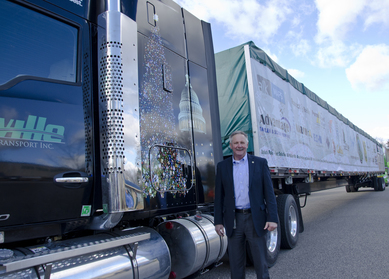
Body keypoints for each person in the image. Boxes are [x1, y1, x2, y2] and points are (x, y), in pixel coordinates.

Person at [214, 131, 278, 279]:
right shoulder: (222, 167)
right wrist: (218, 221)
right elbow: (219, 197)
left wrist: (273, 217)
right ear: (230, 146)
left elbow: (269, 193)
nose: (239, 146)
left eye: (242, 143)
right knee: (236, 266)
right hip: (234, 220)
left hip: (255, 219)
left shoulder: (260, 163)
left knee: (260, 263)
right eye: (236, 143)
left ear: (247, 145)